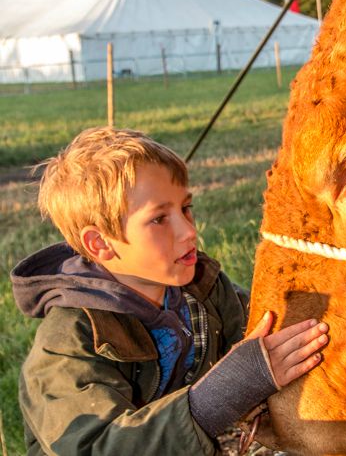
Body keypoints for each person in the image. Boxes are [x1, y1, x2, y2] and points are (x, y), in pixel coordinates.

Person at [11, 127, 329, 455]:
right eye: (159, 219)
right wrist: (226, 392)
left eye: (186, 208)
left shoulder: (201, 287)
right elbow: (94, 447)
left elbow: (262, 335)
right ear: (101, 244)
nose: (189, 231)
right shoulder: (68, 344)